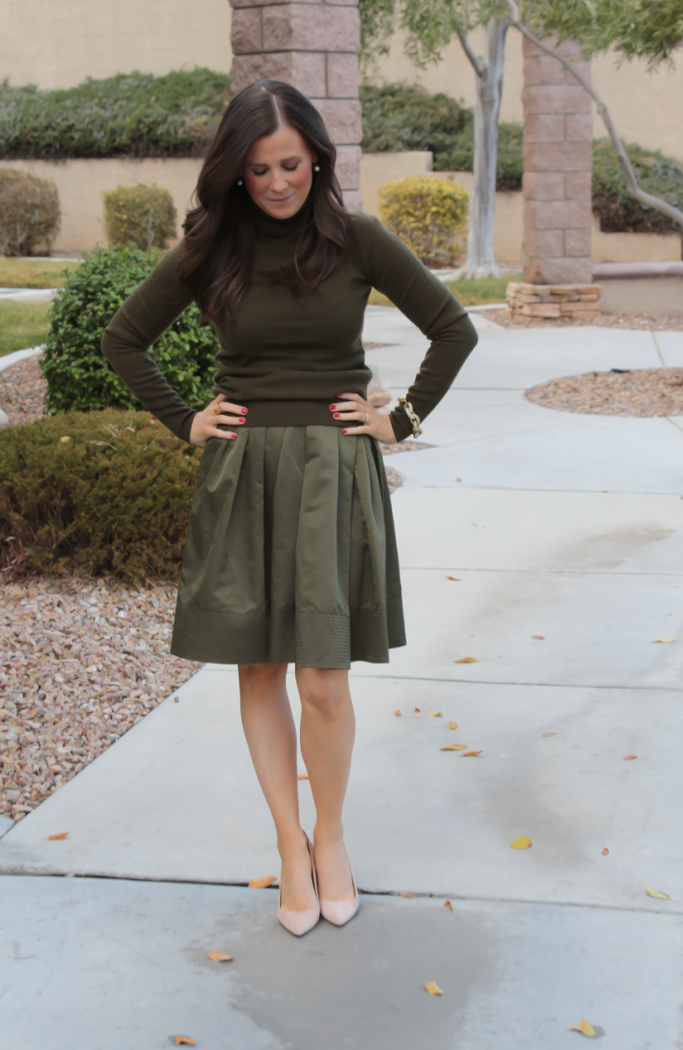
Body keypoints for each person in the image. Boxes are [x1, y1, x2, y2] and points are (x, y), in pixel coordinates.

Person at [102, 79, 478, 937]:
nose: (278, 183)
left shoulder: (357, 240)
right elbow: (123, 338)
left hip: (333, 475)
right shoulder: (211, 251)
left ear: (317, 157)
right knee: (260, 668)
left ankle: (333, 838)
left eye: (292, 164)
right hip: (242, 473)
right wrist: (184, 419)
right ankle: (288, 846)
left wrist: (398, 421)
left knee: (324, 680)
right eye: (260, 169)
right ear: (235, 172)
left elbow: (453, 328)